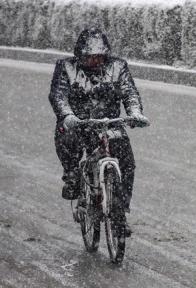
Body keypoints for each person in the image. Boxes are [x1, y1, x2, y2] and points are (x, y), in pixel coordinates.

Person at [48, 28, 149, 236]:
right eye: (89, 56)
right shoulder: (66, 67)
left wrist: (135, 113)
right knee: (67, 138)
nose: (94, 61)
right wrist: (68, 116)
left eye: (99, 56)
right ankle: (72, 176)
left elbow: (129, 92)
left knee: (127, 162)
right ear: (80, 54)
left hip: (109, 124)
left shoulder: (118, 67)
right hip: (79, 124)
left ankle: (120, 211)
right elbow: (59, 95)